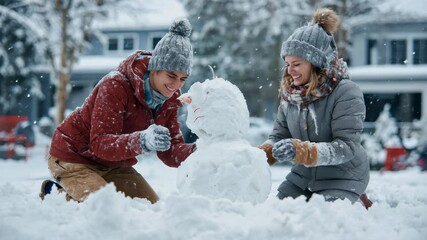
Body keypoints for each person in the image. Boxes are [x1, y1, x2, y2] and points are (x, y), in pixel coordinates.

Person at [39, 18, 196, 203]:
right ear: (155, 69)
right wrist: (142, 140)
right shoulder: (115, 85)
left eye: (182, 79)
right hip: (74, 156)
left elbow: (170, 152)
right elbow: (100, 144)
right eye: (171, 76)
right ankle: (57, 195)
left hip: (113, 164)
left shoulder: (168, 101)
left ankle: (79, 191)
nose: (176, 85)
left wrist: (201, 150)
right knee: (103, 207)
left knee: (150, 207)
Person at [259, 8, 371, 206]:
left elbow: (347, 147)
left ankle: (358, 200)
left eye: (297, 64)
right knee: (276, 212)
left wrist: (303, 151)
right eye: (287, 64)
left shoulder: (345, 92)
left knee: (325, 219)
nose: (290, 71)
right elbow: (278, 136)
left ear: (315, 63)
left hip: (343, 177)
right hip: (303, 177)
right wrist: (261, 156)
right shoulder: (291, 95)